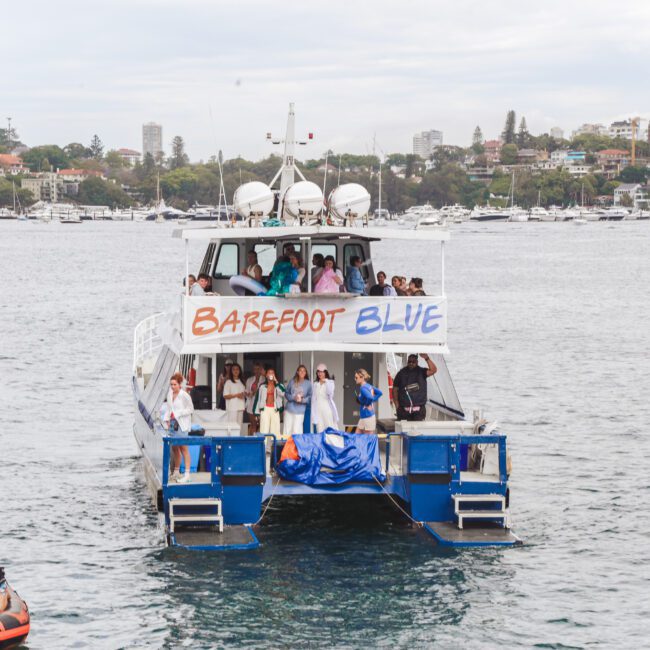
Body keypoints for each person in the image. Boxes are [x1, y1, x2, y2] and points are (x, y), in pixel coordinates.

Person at [163, 372, 194, 483]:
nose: (172, 387)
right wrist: (166, 419)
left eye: (175, 384)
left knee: (184, 449)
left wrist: (178, 413)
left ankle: (187, 474)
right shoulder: (170, 394)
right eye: (171, 384)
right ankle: (176, 472)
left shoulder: (184, 395)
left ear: (179, 384)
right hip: (172, 425)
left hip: (182, 425)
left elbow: (191, 409)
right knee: (175, 448)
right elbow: (168, 408)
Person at [392, 354, 437, 421]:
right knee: (404, 430)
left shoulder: (422, 372)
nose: (411, 363)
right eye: (409, 361)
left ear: (417, 362)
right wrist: (396, 404)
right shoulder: (401, 373)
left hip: (419, 411)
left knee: (417, 430)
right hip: (403, 410)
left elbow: (433, 370)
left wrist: (426, 358)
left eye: (413, 362)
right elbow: (395, 389)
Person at [253, 367, 286, 437]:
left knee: (275, 430)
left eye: (272, 373)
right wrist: (256, 413)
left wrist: (276, 382)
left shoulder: (279, 385)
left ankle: (273, 447)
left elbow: (283, 394)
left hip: (275, 409)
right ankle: (264, 447)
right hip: (265, 409)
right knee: (264, 430)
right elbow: (257, 400)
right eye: (269, 373)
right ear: (266, 375)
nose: (271, 374)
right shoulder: (262, 386)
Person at [284, 365, 312, 436]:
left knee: (297, 431)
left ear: (306, 373)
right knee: (287, 430)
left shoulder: (308, 383)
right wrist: (293, 398)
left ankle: (296, 447)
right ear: (297, 372)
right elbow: (286, 393)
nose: (302, 372)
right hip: (289, 409)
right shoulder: (292, 381)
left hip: (300, 411)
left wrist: (302, 400)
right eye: (300, 370)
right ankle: (286, 446)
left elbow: (311, 397)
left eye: (304, 371)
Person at [311, 363, 339, 432]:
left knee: (329, 426)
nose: (320, 374)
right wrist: (313, 412)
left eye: (322, 372)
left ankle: (333, 442)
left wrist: (326, 381)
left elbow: (330, 393)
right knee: (319, 428)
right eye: (318, 372)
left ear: (325, 372)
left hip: (327, 408)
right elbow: (313, 398)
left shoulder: (330, 382)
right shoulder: (315, 384)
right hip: (318, 409)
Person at [354, 369, 383, 433]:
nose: (355, 379)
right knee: (357, 437)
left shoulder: (363, 388)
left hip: (368, 417)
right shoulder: (369, 386)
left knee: (368, 440)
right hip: (364, 417)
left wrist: (367, 404)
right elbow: (380, 393)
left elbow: (370, 397)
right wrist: (372, 400)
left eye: (356, 377)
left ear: (362, 378)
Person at [245, 362, 265, 434]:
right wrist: (248, 393)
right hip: (251, 404)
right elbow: (246, 391)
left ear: (261, 370)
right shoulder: (249, 380)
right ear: (253, 370)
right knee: (253, 424)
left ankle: (260, 440)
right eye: (255, 369)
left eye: (258, 369)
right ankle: (252, 440)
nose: (257, 371)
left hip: (261, 405)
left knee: (261, 424)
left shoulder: (265, 379)